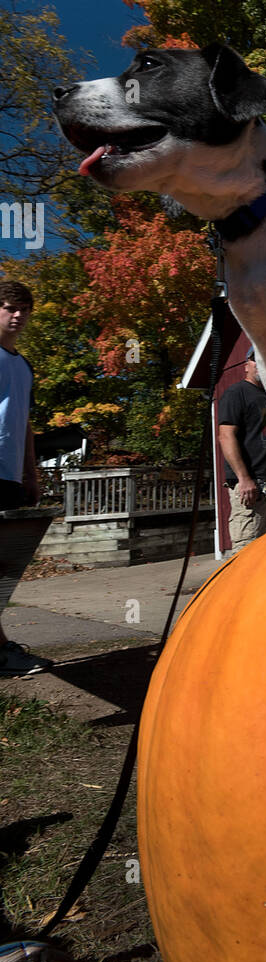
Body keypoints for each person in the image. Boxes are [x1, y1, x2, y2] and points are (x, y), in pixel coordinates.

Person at [0, 279, 51, 676]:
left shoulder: (23, 365)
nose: (17, 315)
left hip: (9, 477)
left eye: (24, 309)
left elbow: (26, 424)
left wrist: (30, 474)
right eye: (8, 307)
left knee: (3, 566)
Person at [217, 348, 266, 550]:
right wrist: (244, 478)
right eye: (257, 360)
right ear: (247, 365)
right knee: (247, 550)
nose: (261, 365)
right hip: (251, 486)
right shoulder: (236, 393)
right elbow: (225, 436)